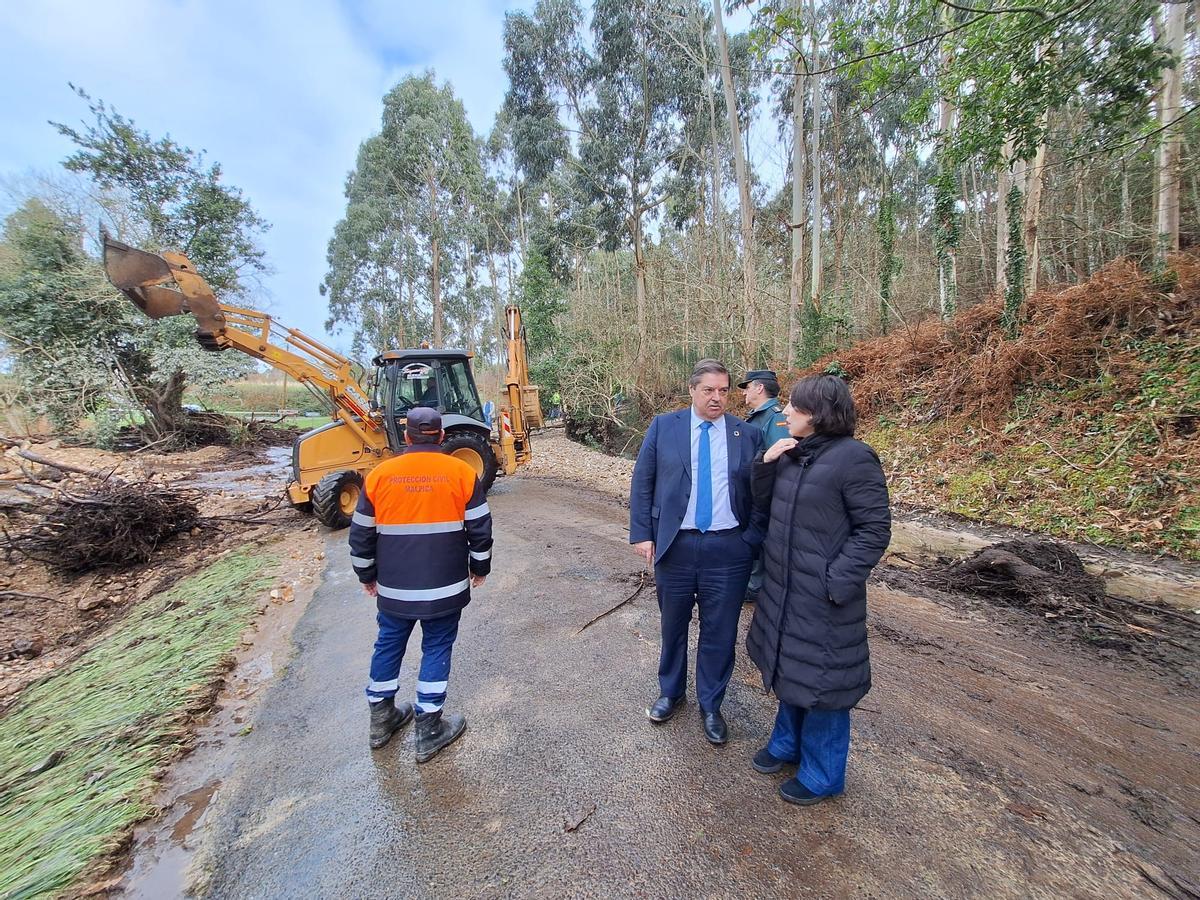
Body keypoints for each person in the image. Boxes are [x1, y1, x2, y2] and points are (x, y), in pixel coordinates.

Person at [746, 374, 890, 805]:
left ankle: (823, 774)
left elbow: (874, 529)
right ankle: (787, 745)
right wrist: (767, 463)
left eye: (795, 406)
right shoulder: (793, 453)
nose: (785, 412)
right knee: (793, 671)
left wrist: (836, 582)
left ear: (819, 415)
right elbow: (765, 507)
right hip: (785, 590)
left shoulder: (855, 459)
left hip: (825, 597)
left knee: (824, 687)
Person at [629, 359, 766, 745]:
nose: (717, 398)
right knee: (672, 626)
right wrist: (642, 533)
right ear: (692, 390)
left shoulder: (746, 434)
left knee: (719, 632)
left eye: (724, 390)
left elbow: (759, 492)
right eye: (709, 390)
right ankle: (671, 693)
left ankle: (711, 704)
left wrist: (750, 539)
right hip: (677, 545)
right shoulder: (664, 427)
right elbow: (643, 482)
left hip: (729, 550)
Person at [348, 407, 493, 762]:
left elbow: (360, 535)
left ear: (408, 436)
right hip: (446, 588)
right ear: (442, 436)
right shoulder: (461, 472)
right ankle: (428, 729)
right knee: (437, 647)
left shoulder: (380, 475)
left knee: (388, 644)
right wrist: (480, 568)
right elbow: (480, 528)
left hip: (395, 590)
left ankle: (382, 720)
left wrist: (367, 576)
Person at [737, 370, 790, 603]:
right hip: (753, 488)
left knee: (762, 535)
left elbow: (782, 457)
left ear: (759, 388)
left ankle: (757, 585)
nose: (745, 392)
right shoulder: (757, 416)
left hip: (766, 492)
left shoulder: (775, 417)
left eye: (747, 386)